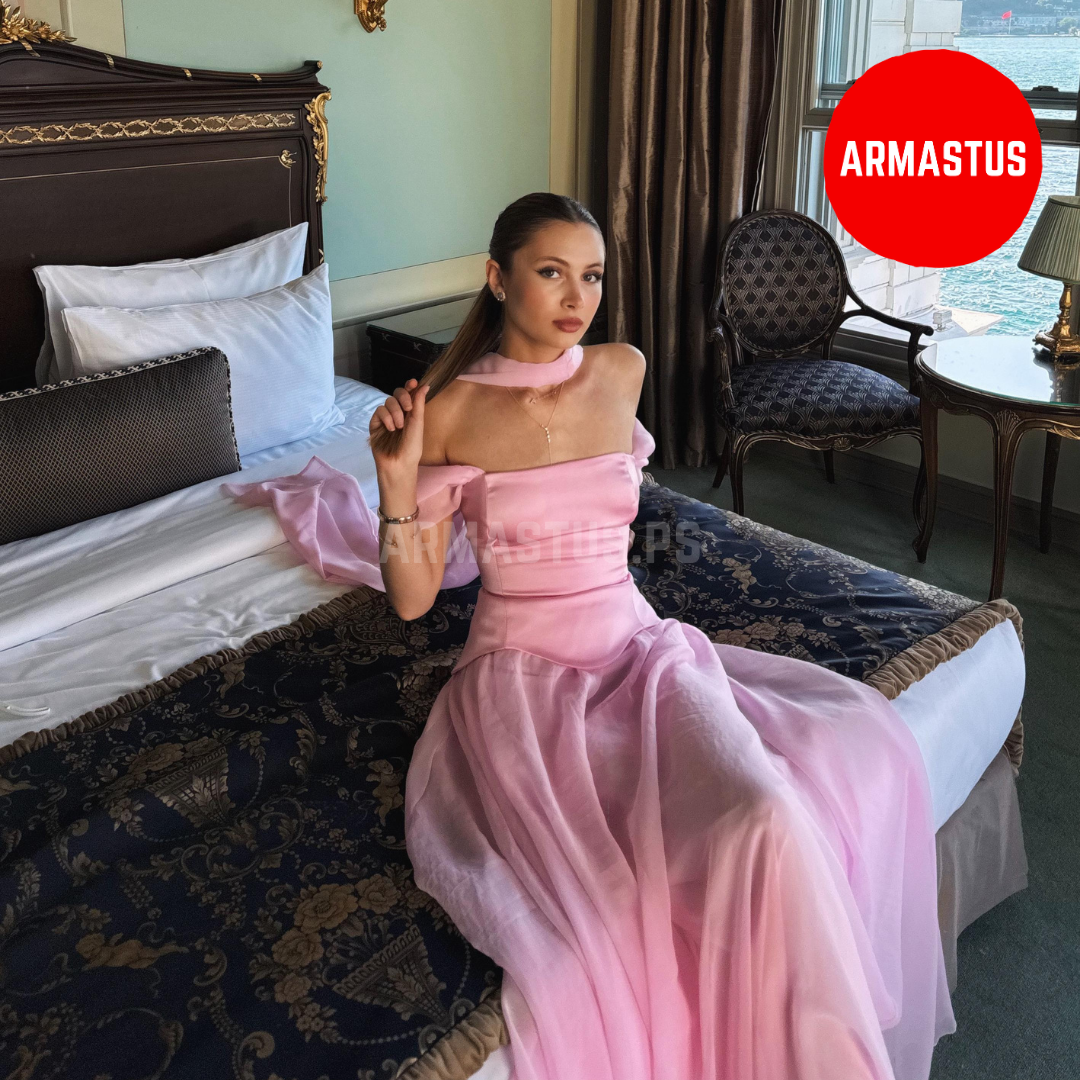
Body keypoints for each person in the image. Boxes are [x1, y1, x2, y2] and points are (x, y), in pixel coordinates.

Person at [227, 192, 954, 1080]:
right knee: (607, 898)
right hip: (523, 677)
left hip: (639, 650)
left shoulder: (622, 369)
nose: (579, 297)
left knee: (765, 817)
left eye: (593, 275)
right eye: (551, 272)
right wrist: (396, 481)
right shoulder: (448, 410)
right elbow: (413, 601)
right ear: (498, 278)